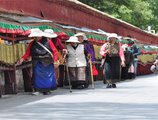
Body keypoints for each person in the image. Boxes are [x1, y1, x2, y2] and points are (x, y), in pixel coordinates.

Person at [18, 28, 59, 95]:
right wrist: (22, 59)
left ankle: (47, 89)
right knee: (37, 76)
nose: (37, 38)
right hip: (36, 61)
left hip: (47, 61)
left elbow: (55, 52)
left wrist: (55, 60)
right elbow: (28, 53)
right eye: (35, 37)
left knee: (47, 76)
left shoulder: (48, 42)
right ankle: (38, 90)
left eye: (38, 36)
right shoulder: (32, 43)